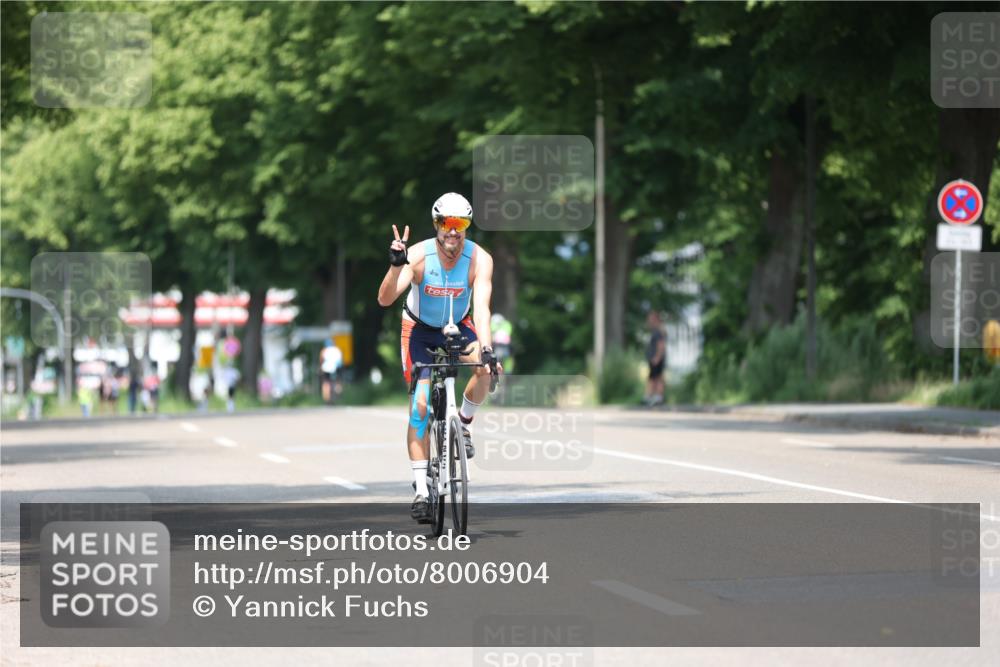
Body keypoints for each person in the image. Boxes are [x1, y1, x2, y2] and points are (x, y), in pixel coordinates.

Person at [377, 192, 501, 523]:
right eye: (446, 223)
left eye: (461, 224)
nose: (453, 231)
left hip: (458, 326)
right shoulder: (418, 256)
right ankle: (421, 488)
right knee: (420, 406)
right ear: (436, 225)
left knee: (486, 370)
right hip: (418, 330)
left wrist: (487, 350)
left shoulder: (480, 259)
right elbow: (386, 299)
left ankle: (462, 424)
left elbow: (483, 309)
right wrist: (395, 266)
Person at [644, 311, 666, 406]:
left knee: (655, 378)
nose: (649, 321)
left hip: (656, 359)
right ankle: (654, 397)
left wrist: (657, 357)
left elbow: (661, 345)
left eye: (651, 319)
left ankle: (655, 397)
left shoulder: (658, 332)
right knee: (654, 377)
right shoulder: (656, 331)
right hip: (655, 359)